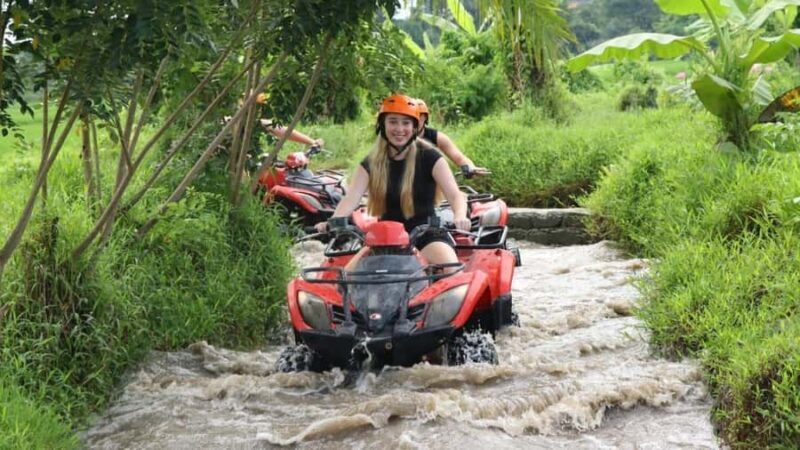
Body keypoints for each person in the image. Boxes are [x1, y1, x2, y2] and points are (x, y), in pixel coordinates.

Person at [315, 93, 470, 270]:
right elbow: (351, 197)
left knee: (453, 270)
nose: (399, 128)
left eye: (406, 123)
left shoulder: (431, 157)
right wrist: (332, 221)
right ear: (382, 125)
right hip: (384, 237)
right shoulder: (370, 163)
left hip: (427, 234)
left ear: (414, 127)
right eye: (393, 121)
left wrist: (460, 215)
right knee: (345, 279)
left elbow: (455, 195)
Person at [414, 98, 489, 176]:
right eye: (412, 117)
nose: (416, 120)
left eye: (419, 116)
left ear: (425, 118)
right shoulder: (401, 138)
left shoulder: (437, 137)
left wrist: (470, 167)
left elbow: (460, 158)